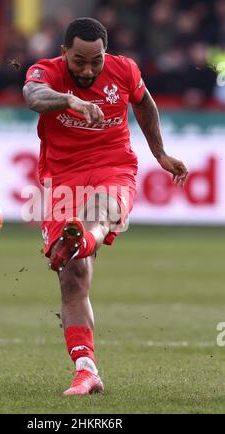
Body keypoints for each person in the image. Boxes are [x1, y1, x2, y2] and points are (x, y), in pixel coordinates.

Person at [23, 17, 188, 396]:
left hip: (113, 167)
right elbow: (33, 97)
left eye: (95, 61)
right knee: (73, 278)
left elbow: (145, 104)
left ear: (105, 53)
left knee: (101, 208)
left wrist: (160, 154)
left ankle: (81, 240)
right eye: (78, 60)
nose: (87, 69)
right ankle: (86, 370)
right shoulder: (45, 72)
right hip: (61, 179)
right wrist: (69, 99)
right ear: (64, 52)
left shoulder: (124, 70)